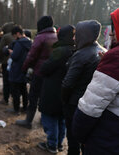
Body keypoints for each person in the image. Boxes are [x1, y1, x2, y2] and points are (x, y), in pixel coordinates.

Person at [72, 6, 119, 155]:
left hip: (108, 141)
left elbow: (89, 108)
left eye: (115, 26)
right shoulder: (106, 54)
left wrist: (79, 134)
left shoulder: (116, 58)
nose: (112, 33)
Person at [61, 20, 106, 155]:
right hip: (95, 104)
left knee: (73, 139)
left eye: (77, 34)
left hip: (75, 104)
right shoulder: (103, 51)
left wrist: (64, 100)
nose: (74, 38)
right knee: (88, 140)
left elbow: (68, 83)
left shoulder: (81, 54)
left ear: (84, 35)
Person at [37, 25, 76, 153]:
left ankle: (52, 144)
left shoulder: (60, 50)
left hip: (53, 90)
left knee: (50, 117)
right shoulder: (75, 50)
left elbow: (46, 68)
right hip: (66, 91)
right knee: (61, 119)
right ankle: (59, 143)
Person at [16, 16, 58, 129]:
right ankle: (43, 120)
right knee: (45, 97)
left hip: (39, 72)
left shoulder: (40, 37)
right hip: (52, 72)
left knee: (33, 96)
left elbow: (31, 56)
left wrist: (24, 68)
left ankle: (28, 121)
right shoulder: (56, 36)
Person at [7, 25, 31, 115]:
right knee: (24, 90)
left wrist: (11, 52)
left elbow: (15, 56)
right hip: (24, 69)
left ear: (17, 34)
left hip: (16, 69)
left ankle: (16, 109)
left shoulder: (19, 43)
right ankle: (25, 107)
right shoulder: (29, 42)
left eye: (14, 35)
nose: (14, 38)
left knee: (15, 91)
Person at [0, 22, 15, 105]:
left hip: (6, 61)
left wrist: (0, 59)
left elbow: (0, 49)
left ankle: (5, 99)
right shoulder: (16, 35)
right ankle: (15, 99)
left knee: (6, 81)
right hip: (15, 62)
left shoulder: (5, 37)